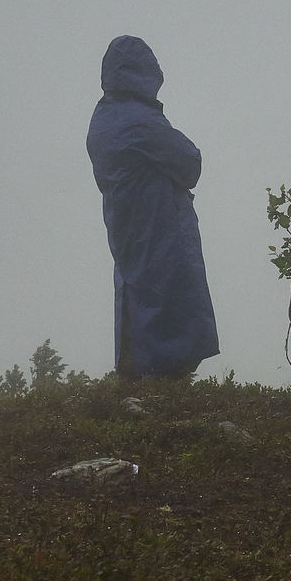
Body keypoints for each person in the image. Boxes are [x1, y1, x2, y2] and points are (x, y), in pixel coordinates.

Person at [86, 35, 220, 379]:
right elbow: (189, 163)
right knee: (172, 301)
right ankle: (162, 384)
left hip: (127, 225)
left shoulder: (103, 118)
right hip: (160, 226)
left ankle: (137, 378)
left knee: (138, 295)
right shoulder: (140, 122)